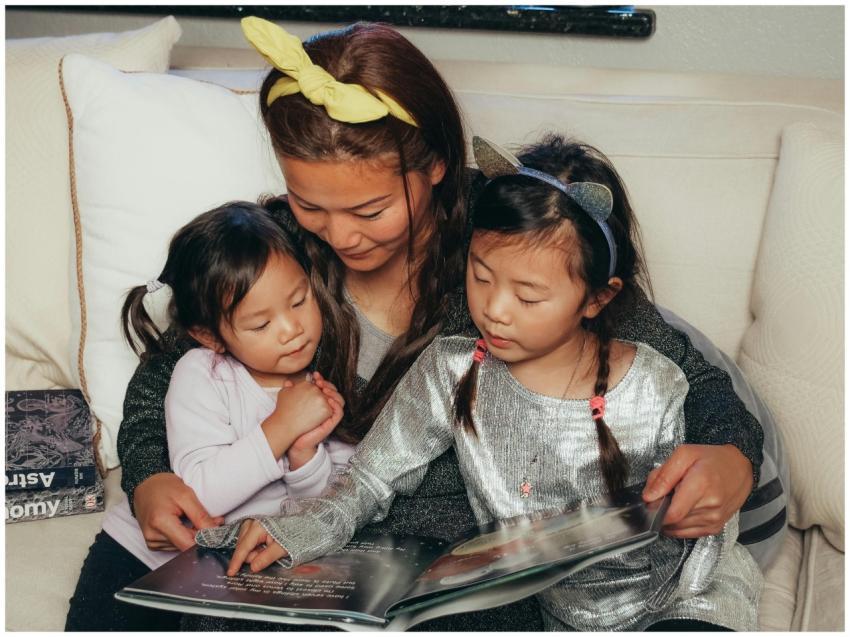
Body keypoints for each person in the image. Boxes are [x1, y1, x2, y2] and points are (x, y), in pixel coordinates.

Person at [73, 17, 783, 631]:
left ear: (437, 165)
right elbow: (175, 355)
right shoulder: (283, 240)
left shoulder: (502, 231)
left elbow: (676, 363)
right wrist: (149, 472)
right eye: (310, 203)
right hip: (324, 518)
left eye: (371, 210)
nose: (339, 235)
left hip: (451, 548)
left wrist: (729, 452)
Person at [199, 135, 763, 631]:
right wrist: (300, 530)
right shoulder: (451, 370)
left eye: (529, 296)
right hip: (556, 612)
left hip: (685, 600)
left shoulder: (656, 385)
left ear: (598, 297)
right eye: (480, 275)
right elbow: (370, 479)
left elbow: (702, 542)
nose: (494, 310)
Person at [65, 202, 354, 630]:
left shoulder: (321, 383)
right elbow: (199, 493)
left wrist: (304, 454)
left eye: (298, 301)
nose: (292, 329)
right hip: (142, 554)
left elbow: (320, 505)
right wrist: (279, 429)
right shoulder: (202, 373)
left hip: (227, 562)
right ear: (209, 336)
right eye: (261, 324)